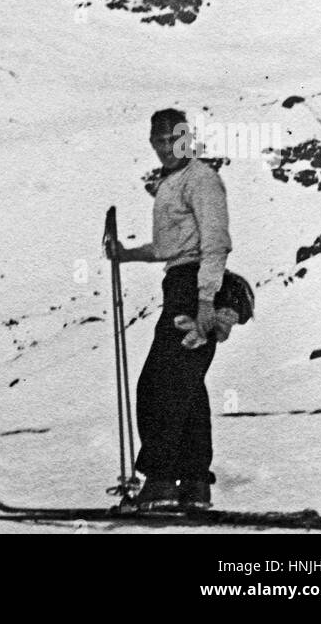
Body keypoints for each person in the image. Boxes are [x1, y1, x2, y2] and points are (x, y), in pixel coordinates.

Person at [112, 107, 232, 510]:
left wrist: (205, 301)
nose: (166, 147)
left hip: (194, 289)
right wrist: (126, 255)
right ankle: (194, 483)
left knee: (157, 387)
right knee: (187, 390)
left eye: (173, 139)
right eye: (159, 140)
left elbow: (215, 243)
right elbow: (168, 248)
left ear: (187, 138)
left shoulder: (202, 179)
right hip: (178, 283)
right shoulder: (170, 184)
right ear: (151, 142)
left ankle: (162, 481)